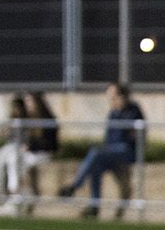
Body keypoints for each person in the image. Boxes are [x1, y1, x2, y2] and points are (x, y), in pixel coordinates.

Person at [59, 83, 144, 219]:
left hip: (126, 151)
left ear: (121, 96)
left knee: (95, 153)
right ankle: (95, 206)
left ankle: (75, 186)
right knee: (95, 166)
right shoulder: (112, 113)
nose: (110, 100)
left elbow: (132, 135)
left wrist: (121, 108)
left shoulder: (133, 110)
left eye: (113, 96)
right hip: (111, 152)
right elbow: (108, 138)